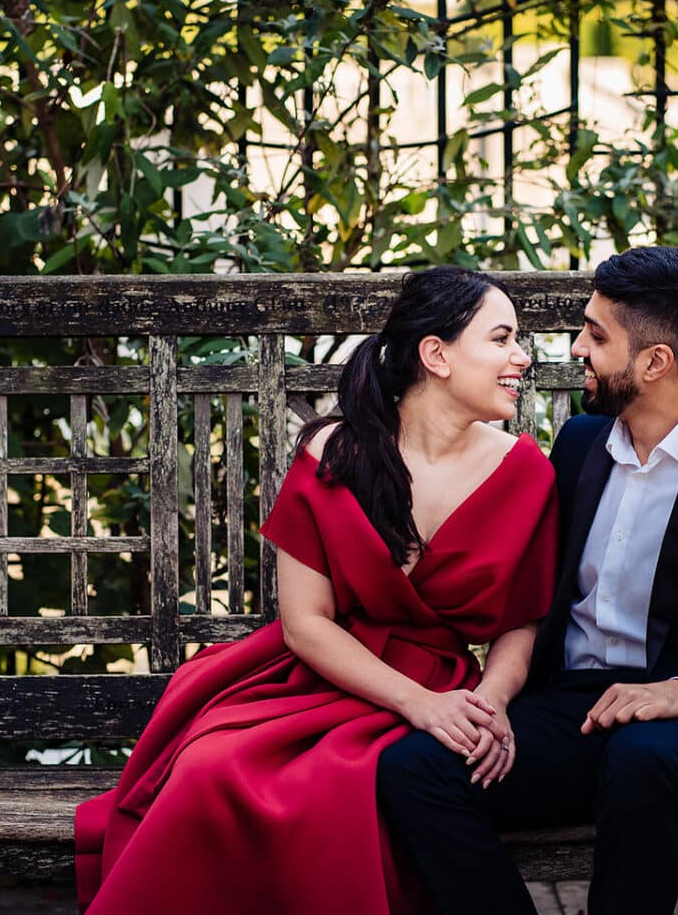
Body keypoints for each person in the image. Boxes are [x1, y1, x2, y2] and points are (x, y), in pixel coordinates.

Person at [73, 266, 560, 914]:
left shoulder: (525, 471)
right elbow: (305, 623)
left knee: (368, 789)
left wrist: (489, 705)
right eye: (501, 340)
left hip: (447, 691)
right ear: (436, 355)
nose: (521, 357)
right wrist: (417, 704)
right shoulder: (336, 452)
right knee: (214, 772)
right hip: (324, 676)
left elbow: (521, 622)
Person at [378, 246, 678, 915]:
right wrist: (496, 698)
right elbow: (532, 596)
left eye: (596, 336)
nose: (575, 349)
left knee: (643, 758)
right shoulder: (580, 446)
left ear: (654, 363)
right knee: (413, 769)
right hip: (571, 713)